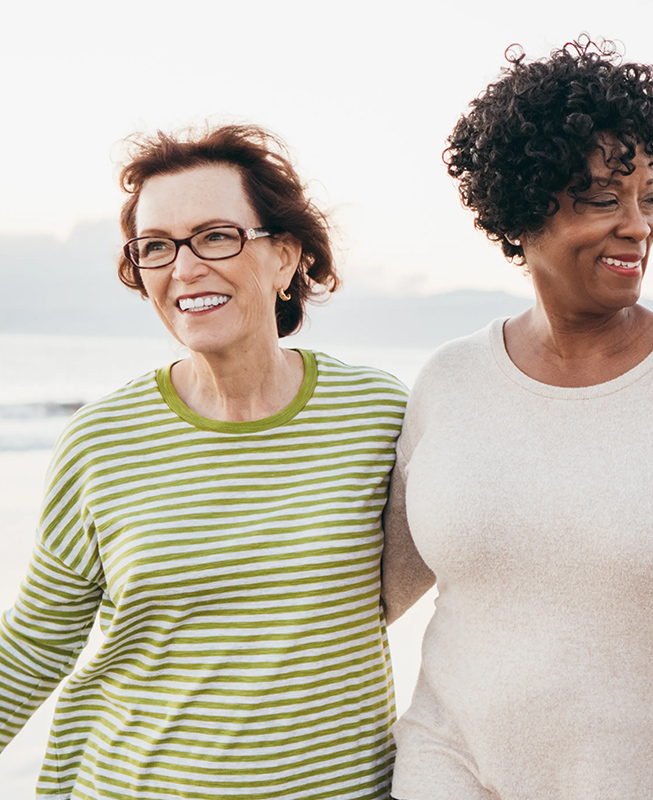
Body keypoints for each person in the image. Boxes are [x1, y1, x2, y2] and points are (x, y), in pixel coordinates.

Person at [381, 37, 653, 800]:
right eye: (604, 199)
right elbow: (367, 597)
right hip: (445, 767)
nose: (640, 226)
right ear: (520, 210)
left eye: (651, 198)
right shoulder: (449, 383)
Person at [0, 125, 407, 799]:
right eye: (157, 247)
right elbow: (36, 644)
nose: (184, 269)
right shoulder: (101, 441)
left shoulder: (378, 415)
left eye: (216, 236)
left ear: (285, 258)